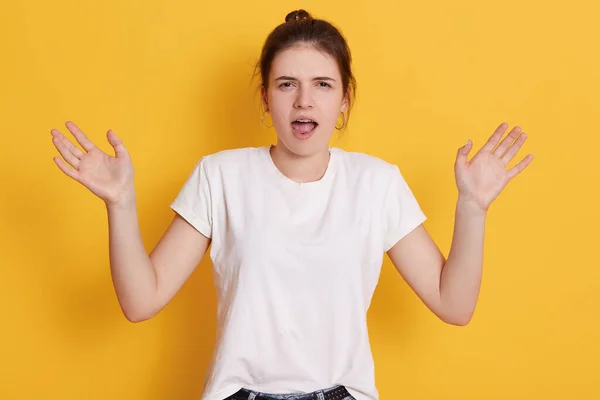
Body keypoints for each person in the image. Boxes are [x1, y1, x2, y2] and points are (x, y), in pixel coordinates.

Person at [49, 9, 534, 400]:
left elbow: (455, 304)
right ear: (265, 98)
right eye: (287, 84)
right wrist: (121, 202)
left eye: (322, 84)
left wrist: (472, 208)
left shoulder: (377, 183)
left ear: (344, 99)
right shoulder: (220, 176)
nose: (304, 100)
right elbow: (141, 300)